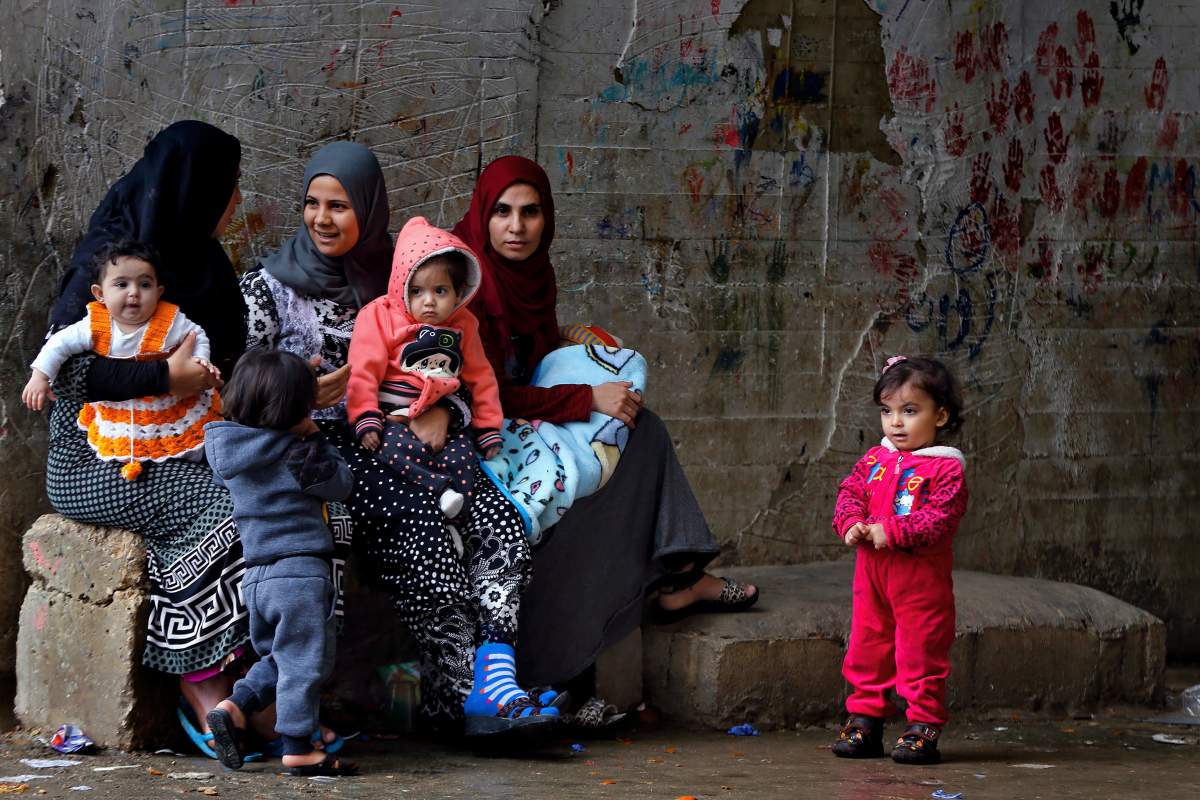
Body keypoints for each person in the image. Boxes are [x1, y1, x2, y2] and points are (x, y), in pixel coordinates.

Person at [241, 141, 559, 736]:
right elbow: (242, 396)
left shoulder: (410, 278)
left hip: (433, 440)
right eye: (312, 203)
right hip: (337, 450)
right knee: (423, 532)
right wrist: (307, 396)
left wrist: (455, 416)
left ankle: (497, 677)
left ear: (369, 208)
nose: (322, 218)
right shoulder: (266, 290)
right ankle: (461, 694)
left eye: (340, 204)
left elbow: (462, 371)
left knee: (502, 522)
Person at [40, 122, 325, 754]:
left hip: (181, 438)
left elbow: (227, 362)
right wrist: (164, 374)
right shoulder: (115, 267)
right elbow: (70, 375)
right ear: (195, 188)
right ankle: (202, 683)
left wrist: (294, 391)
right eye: (229, 185)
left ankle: (262, 690)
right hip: (95, 456)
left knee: (274, 492)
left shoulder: (205, 265)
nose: (236, 199)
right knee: (217, 506)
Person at [450, 156, 759, 707]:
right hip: (480, 435)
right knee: (584, 479)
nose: (516, 227)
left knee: (644, 430)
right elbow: (488, 392)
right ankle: (554, 671)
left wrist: (571, 343)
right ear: (482, 214)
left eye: (530, 212)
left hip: (528, 423)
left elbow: (532, 359)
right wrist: (587, 397)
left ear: (548, 219)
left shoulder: (532, 275)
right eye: (501, 212)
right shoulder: (467, 283)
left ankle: (680, 575)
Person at [204, 349, 357, 777]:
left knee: (282, 658)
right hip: (300, 572)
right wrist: (314, 438)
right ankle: (298, 746)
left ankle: (236, 706)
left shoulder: (229, 451)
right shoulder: (300, 453)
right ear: (297, 409)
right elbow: (341, 486)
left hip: (256, 575)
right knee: (304, 663)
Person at [830, 355, 968, 765]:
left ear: (940, 415)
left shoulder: (947, 469)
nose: (896, 423)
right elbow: (849, 492)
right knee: (866, 647)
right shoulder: (875, 460)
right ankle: (864, 722)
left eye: (910, 411)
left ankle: (921, 727)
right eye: (887, 411)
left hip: (920, 582)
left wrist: (892, 530)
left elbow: (940, 518)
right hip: (871, 578)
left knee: (920, 652)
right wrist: (851, 522)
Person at [346, 216, 503, 519]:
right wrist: (365, 416)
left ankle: (456, 516)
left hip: (440, 411)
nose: (428, 302)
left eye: (440, 291)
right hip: (392, 418)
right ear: (400, 285)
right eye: (416, 291)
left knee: (463, 456)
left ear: (459, 292)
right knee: (392, 449)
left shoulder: (464, 325)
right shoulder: (380, 316)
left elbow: (481, 377)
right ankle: (441, 491)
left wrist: (488, 426)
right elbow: (363, 371)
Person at [24, 240, 222, 480]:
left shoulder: (169, 321)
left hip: (167, 408)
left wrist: (201, 360)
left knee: (187, 444)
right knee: (123, 450)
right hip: (119, 411)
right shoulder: (95, 326)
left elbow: (198, 335)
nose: (134, 293)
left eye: (145, 284)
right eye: (121, 284)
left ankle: (195, 467)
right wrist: (40, 376)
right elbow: (58, 345)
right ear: (100, 294)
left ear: (159, 292)